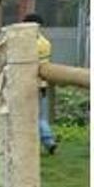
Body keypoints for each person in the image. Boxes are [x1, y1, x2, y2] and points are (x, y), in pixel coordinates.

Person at [23, 13, 58, 155]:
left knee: (30, 116)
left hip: (27, 84)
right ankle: (48, 142)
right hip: (42, 85)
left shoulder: (27, 43)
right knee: (41, 116)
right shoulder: (45, 42)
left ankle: (47, 141)